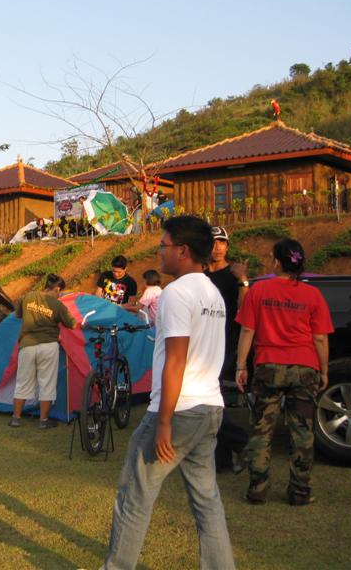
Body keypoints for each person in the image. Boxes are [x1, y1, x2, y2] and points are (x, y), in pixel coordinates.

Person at [102, 215, 234, 570]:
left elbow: (176, 360)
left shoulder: (177, 293)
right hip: (209, 406)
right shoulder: (213, 293)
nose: (159, 252)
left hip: (178, 409)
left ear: (182, 250)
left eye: (163, 245)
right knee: (207, 500)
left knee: (135, 493)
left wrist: (163, 422)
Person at [236, 238, 333, 506]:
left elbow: (247, 330)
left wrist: (241, 366)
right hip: (305, 367)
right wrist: (324, 370)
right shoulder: (313, 295)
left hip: (267, 366)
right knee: (302, 432)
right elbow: (320, 338)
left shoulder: (258, 290)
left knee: (261, 429)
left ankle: (257, 489)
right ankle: (300, 492)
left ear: (277, 262)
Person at [204, 226, 251, 474]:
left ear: (228, 246)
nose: (218, 247)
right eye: (214, 242)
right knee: (214, 399)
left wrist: (243, 280)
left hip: (227, 343)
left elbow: (245, 309)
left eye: (223, 242)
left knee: (211, 399)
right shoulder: (201, 276)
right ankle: (222, 461)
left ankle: (243, 442)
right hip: (204, 344)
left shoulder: (233, 275)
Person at [10, 274, 76, 429]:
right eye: (60, 292)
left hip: (27, 345)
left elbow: (18, 314)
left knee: (22, 382)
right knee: (47, 383)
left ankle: (16, 419)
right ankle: (43, 421)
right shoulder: (58, 305)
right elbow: (72, 324)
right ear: (57, 289)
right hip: (48, 346)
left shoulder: (28, 296)